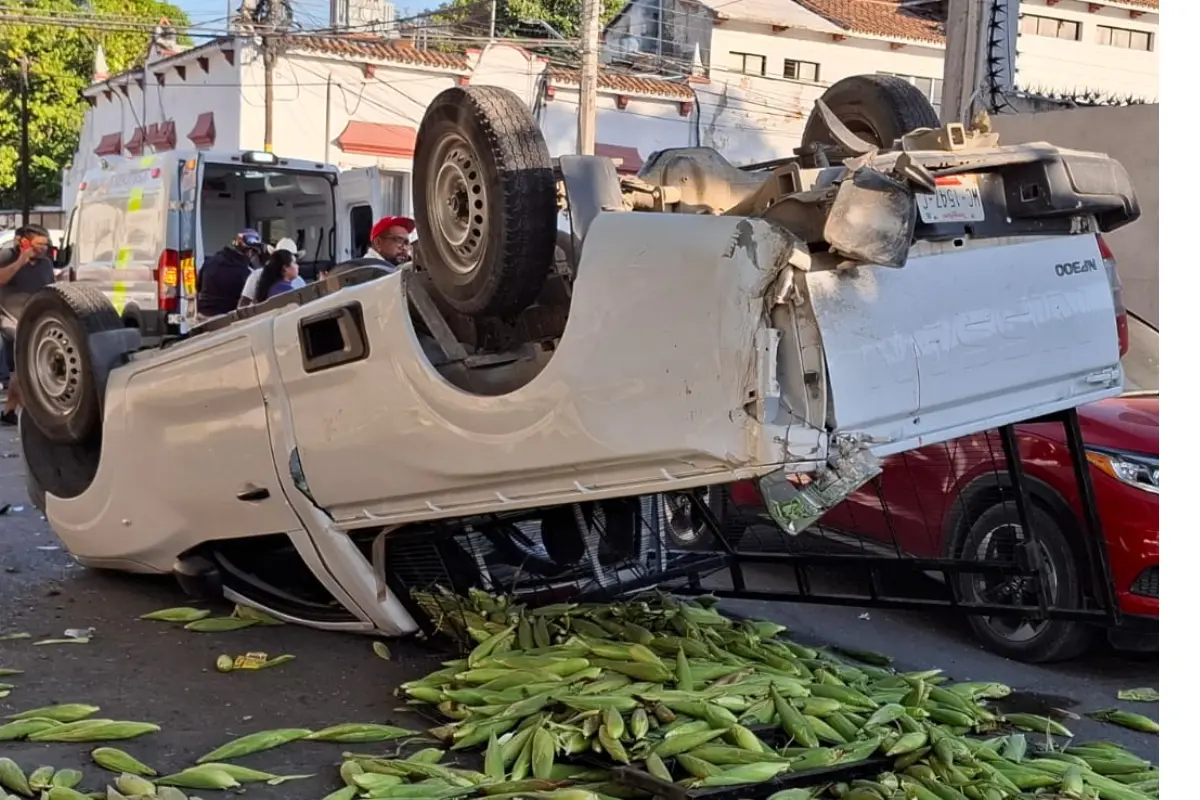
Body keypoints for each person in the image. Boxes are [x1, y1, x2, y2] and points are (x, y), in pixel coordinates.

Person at [0, 225, 56, 426]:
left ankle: (10, 410)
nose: (43, 248)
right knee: (25, 364)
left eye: (46, 244)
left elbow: (50, 287)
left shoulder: (45, 263)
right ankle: (32, 412)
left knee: (19, 369)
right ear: (22, 242)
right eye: (39, 244)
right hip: (9, 319)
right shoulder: (7, 256)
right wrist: (21, 261)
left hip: (33, 319)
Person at [196, 229, 262, 319]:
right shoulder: (246, 273)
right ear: (250, 251)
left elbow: (198, 286)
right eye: (255, 253)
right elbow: (247, 300)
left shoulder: (210, 262)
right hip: (224, 320)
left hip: (201, 315)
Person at [239, 237, 305, 308]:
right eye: (294, 262)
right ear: (285, 266)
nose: (297, 265)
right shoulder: (258, 275)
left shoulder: (299, 280)